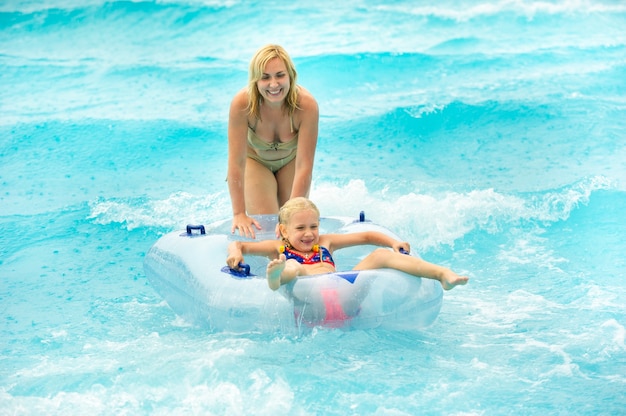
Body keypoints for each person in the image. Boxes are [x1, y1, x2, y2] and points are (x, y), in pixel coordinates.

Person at [226, 197, 469, 291]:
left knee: (380, 256)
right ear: (283, 231)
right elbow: (240, 245)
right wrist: (234, 253)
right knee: (292, 265)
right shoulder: (279, 247)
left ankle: (442, 274)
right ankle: (275, 278)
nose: (309, 234)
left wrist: (393, 243)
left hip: (342, 290)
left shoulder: (325, 243)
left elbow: (367, 236)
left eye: (313, 226)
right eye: (300, 228)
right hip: (306, 293)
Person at [227, 44, 319, 239]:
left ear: (291, 75)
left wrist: (294, 217)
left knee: (293, 228)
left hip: (291, 163)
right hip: (255, 162)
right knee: (268, 228)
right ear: (255, 80)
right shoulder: (242, 104)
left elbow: (304, 166)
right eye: (265, 77)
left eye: (280, 75)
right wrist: (239, 214)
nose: (274, 84)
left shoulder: (306, 105)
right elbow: (236, 162)